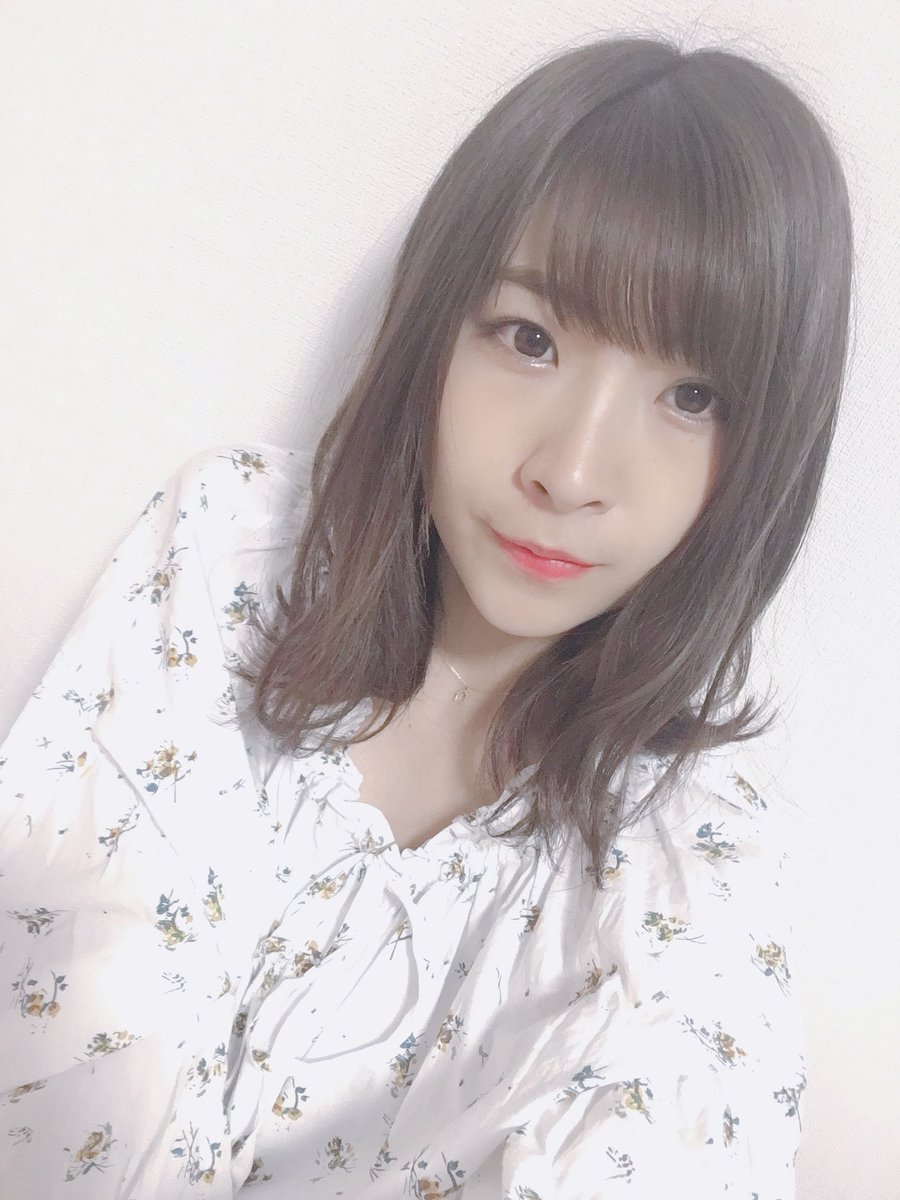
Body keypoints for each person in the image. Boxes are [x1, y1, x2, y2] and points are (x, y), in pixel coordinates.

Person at [0, 35, 851, 1199]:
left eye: (691, 397)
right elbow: (67, 996)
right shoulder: (233, 552)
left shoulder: (689, 863)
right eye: (530, 338)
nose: (572, 471)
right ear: (436, 321)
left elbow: (691, 1119)